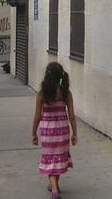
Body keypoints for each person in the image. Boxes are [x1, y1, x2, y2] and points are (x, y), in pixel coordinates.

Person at [32, 62, 78, 199]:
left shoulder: (42, 94)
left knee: (50, 159)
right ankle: (55, 185)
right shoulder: (66, 93)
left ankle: (54, 190)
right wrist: (75, 133)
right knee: (57, 159)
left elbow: (37, 116)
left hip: (47, 131)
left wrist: (33, 133)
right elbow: (72, 116)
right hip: (63, 130)